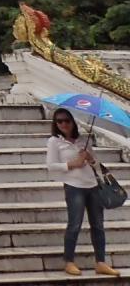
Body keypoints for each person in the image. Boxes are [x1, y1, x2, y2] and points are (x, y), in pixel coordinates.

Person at [48, 107, 118, 276]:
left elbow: (96, 165)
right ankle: (69, 261)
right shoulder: (54, 142)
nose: (63, 124)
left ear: (73, 122)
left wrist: (89, 158)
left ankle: (100, 262)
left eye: (67, 120)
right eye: (59, 121)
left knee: (98, 225)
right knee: (74, 224)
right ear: (55, 124)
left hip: (92, 185)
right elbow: (51, 166)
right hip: (73, 186)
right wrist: (72, 163)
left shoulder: (83, 140)